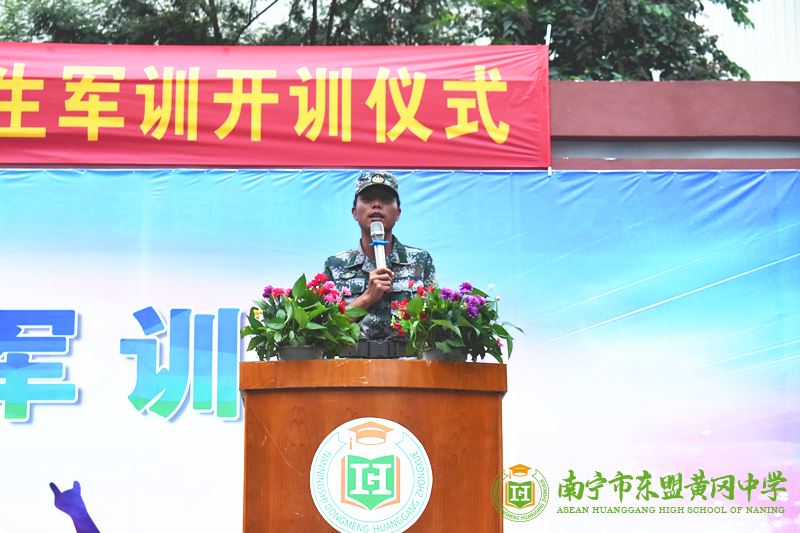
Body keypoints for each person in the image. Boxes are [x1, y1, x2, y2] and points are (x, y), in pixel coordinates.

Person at [324, 171, 436, 356]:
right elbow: (326, 332)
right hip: (352, 367)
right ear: (354, 212)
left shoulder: (420, 261)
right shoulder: (336, 265)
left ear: (398, 213)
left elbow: (433, 324)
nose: (376, 204)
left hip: (408, 368)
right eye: (367, 199)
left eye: (385, 199)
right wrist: (367, 297)